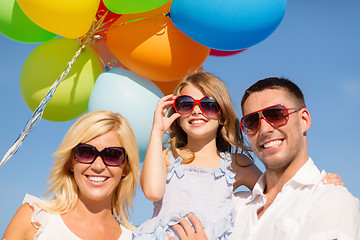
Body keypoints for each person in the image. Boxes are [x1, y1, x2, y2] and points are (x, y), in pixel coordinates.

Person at [133, 72, 343, 240]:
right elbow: (152, 192)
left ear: (223, 116)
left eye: (208, 105)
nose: (197, 111)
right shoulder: (167, 157)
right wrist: (156, 132)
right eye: (186, 104)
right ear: (177, 117)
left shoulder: (236, 164)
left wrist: (319, 187)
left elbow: (277, 194)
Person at [3, 110, 139, 240]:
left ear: (126, 168)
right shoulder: (34, 220)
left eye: (112, 155)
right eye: (86, 152)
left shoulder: (136, 237)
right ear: (70, 162)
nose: (98, 166)